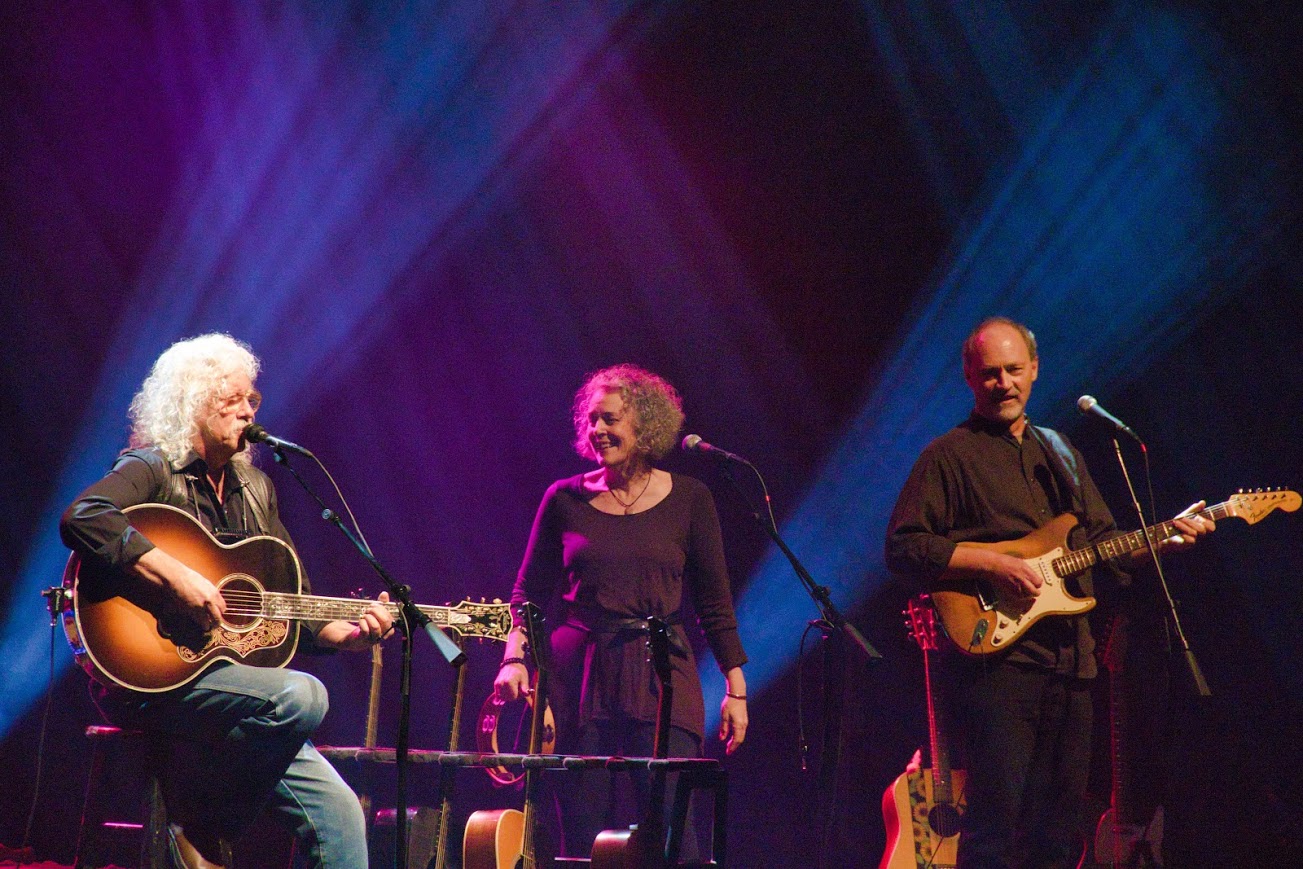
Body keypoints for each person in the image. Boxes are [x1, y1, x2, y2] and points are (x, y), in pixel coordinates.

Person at [884, 317, 1213, 869]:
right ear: (970, 377)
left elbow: (1106, 544)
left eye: (1014, 370)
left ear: (1035, 370)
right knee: (994, 830)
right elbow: (903, 547)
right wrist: (991, 564)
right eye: (990, 374)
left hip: (1073, 664)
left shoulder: (1061, 452)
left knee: (1059, 835)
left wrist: (1166, 539)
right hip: (998, 670)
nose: (1004, 383)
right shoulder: (948, 457)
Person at [60, 333, 394, 868]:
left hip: (230, 685)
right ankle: (207, 828)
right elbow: (83, 516)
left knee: (341, 816)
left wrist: (353, 635)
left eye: (251, 400)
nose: (247, 411)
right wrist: (172, 574)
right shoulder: (153, 467)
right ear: (193, 404)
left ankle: (201, 818)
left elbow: (294, 608)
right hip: (149, 675)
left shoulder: (256, 488)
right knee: (302, 696)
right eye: (231, 401)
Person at [493, 364, 749, 860]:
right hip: (578, 676)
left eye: (610, 419)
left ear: (645, 425)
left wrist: (736, 688)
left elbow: (715, 604)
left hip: (662, 676)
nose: (598, 431)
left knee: (674, 838)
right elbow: (527, 593)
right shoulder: (564, 499)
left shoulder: (691, 499)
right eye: (591, 421)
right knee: (586, 838)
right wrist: (514, 660)